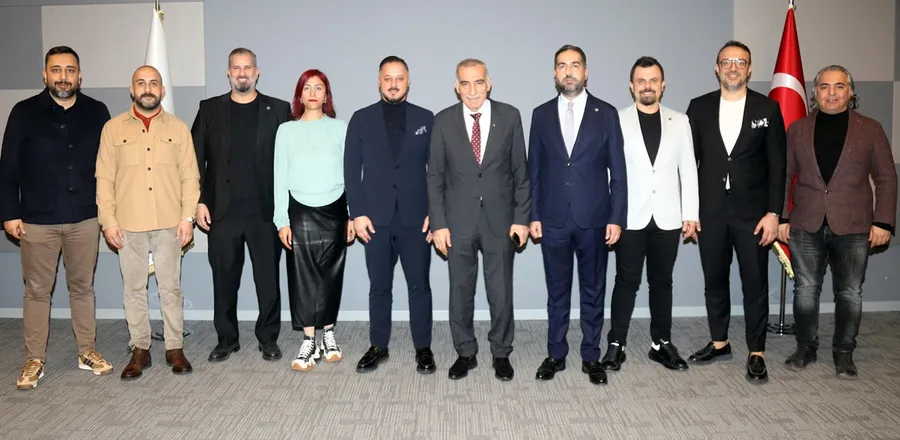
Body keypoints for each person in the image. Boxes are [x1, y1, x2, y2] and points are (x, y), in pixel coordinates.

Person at [0, 46, 113, 390]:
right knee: (37, 291)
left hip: (85, 218)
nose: (63, 77)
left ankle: (87, 350)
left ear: (80, 76)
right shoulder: (23, 112)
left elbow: (110, 166)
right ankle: (35, 358)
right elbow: (8, 167)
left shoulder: (97, 112)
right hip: (36, 220)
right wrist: (9, 213)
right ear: (45, 74)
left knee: (83, 287)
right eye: (56, 70)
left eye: (70, 70)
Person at [777, 65, 897, 379]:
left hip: (855, 226)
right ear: (815, 92)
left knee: (850, 292)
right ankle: (806, 346)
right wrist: (783, 217)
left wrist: (884, 222)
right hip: (806, 223)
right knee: (805, 290)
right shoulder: (798, 129)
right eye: (825, 87)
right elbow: (785, 176)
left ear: (850, 91)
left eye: (839, 86)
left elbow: (886, 177)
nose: (832, 93)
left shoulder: (870, 129)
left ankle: (844, 351)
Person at [685, 40, 786, 383]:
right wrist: (689, 210)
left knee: (755, 283)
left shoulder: (768, 108)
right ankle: (720, 342)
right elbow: (688, 164)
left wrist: (774, 213)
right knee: (714, 280)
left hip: (754, 216)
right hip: (710, 212)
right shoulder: (698, 108)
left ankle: (757, 352)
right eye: (726, 62)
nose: (733, 67)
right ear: (717, 68)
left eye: (740, 62)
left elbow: (778, 165)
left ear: (749, 69)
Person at [427, 58, 531, 381]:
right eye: (465, 83)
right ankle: (465, 352)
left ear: (489, 83)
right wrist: (438, 223)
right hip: (457, 221)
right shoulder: (443, 121)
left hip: (501, 221)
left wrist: (522, 218)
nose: (472, 90)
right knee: (460, 291)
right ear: (456, 87)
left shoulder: (510, 116)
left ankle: (501, 352)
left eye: (478, 82)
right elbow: (435, 178)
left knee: (501, 291)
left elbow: (521, 173)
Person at [528, 45, 626, 385]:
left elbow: (618, 172)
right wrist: (533, 214)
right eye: (561, 66)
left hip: (595, 220)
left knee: (593, 291)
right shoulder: (540, 114)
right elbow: (533, 171)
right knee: (556, 292)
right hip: (552, 219)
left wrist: (616, 217)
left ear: (586, 72)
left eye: (575, 65)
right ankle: (556, 354)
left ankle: (591, 356)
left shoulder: (606, 113)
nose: (568, 72)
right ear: (554, 73)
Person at [96, 65, 199, 380]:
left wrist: (187, 217)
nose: (147, 88)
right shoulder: (113, 129)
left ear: (162, 90)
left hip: (170, 224)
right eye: (141, 83)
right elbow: (104, 179)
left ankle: (174, 347)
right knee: (133, 290)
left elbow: (190, 177)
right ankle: (140, 348)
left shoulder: (178, 128)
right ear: (132, 90)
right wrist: (108, 221)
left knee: (171, 288)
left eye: (154, 83)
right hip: (128, 225)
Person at [191, 48, 292, 363]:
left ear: (257, 72)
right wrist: (198, 201)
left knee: (268, 280)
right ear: (228, 73)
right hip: (222, 213)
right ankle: (227, 339)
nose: (242, 73)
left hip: (266, 213)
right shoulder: (209, 109)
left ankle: (268, 338)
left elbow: (291, 160)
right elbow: (193, 160)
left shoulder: (279, 109)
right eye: (236, 68)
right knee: (224, 280)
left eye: (247, 67)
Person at [602, 56, 699, 373]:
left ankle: (661, 344)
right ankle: (616, 344)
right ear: (631, 86)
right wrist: (611, 215)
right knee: (625, 281)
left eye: (653, 80)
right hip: (629, 217)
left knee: (662, 282)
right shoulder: (616, 120)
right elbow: (609, 172)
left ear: (663, 85)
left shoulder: (679, 121)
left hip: (668, 217)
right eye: (641, 80)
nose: (647, 86)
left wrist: (690, 213)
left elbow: (688, 170)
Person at [344, 56, 436, 374]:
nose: (393, 84)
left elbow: (437, 171)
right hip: (375, 221)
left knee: (419, 286)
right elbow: (351, 170)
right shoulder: (361, 119)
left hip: (416, 220)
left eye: (399, 78)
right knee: (379, 287)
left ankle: (423, 348)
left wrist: (435, 213)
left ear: (408, 81)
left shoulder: (426, 118)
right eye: (388, 78)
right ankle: (378, 346)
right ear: (379, 81)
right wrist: (357, 214)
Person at [274, 69, 355, 372]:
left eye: (318, 88)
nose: (312, 93)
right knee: (303, 277)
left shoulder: (340, 128)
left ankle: (329, 336)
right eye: (307, 87)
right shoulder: (286, 131)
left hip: (335, 210)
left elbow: (350, 175)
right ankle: (309, 340)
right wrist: (281, 220)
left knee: (331, 275)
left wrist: (351, 213)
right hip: (300, 210)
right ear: (300, 94)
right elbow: (279, 176)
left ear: (326, 95)